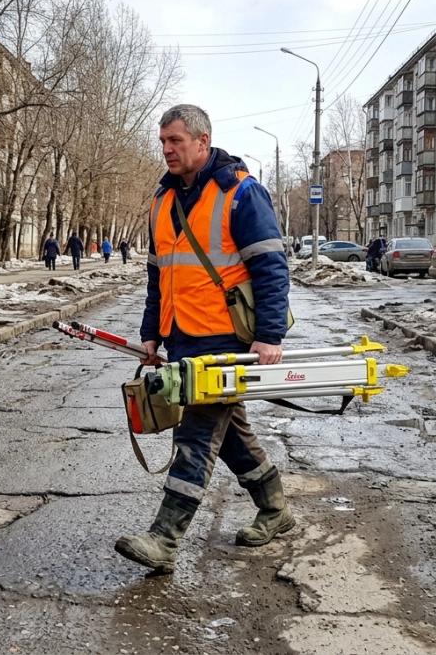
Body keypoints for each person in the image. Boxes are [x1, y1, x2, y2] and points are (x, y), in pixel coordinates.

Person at [115, 104, 292, 574]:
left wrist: (270, 335)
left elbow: (271, 267)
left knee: (194, 434)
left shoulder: (240, 193)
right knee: (230, 434)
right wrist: (151, 332)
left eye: (175, 140)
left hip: (227, 339)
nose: (167, 149)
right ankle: (275, 508)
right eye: (163, 142)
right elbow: (159, 276)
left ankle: (164, 538)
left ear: (202, 142)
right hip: (182, 337)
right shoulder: (162, 201)